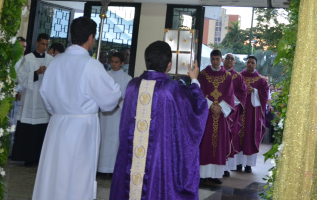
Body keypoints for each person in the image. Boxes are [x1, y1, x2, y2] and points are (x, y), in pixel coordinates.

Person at [32, 17, 122, 200]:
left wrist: (59, 111)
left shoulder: (55, 62)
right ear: (90, 37)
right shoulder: (91, 65)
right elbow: (111, 98)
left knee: (54, 173)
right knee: (77, 175)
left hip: (57, 125)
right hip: (81, 129)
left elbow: (45, 94)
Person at [110, 41, 207, 200]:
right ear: (169, 65)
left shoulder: (132, 86)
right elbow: (197, 108)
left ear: (146, 61)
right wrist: (194, 79)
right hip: (159, 161)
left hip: (131, 158)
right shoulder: (172, 89)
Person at [11, 33, 52, 166]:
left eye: (47, 44)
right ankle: (26, 157)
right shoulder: (28, 58)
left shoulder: (51, 60)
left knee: (41, 129)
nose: (45, 47)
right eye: (42, 44)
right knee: (28, 129)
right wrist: (36, 73)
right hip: (30, 97)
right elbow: (20, 77)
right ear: (37, 43)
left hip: (42, 99)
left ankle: (38, 159)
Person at [198, 49, 236, 185]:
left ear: (221, 60)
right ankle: (202, 175)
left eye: (217, 59)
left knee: (219, 143)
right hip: (207, 114)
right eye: (213, 59)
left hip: (220, 115)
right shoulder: (203, 74)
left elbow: (229, 94)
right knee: (205, 142)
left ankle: (215, 175)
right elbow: (200, 92)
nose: (215, 61)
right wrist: (210, 105)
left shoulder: (227, 76)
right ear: (210, 59)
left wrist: (220, 107)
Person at [97, 52, 132, 175]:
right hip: (105, 113)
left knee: (114, 140)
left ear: (122, 63)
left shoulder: (127, 79)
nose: (113, 64)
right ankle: (100, 168)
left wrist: (118, 104)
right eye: (112, 61)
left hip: (117, 114)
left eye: (116, 62)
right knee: (102, 138)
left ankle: (113, 170)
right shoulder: (105, 75)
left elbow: (128, 98)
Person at [236, 55, 270, 172]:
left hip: (252, 115)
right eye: (248, 62)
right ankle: (237, 163)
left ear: (256, 65)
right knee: (238, 136)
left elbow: (265, 94)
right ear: (246, 63)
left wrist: (254, 91)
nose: (250, 64)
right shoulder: (238, 77)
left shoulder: (260, 80)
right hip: (240, 112)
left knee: (250, 137)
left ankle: (248, 165)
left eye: (252, 63)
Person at [222, 53, 248, 177]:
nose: (229, 60)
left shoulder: (238, 77)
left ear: (234, 63)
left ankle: (226, 167)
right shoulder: (216, 74)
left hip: (231, 113)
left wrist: (229, 102)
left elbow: (243, 93)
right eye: (227, 58)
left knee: (229, 139)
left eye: (232, 59)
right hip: (216, 111)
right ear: (223, 60)